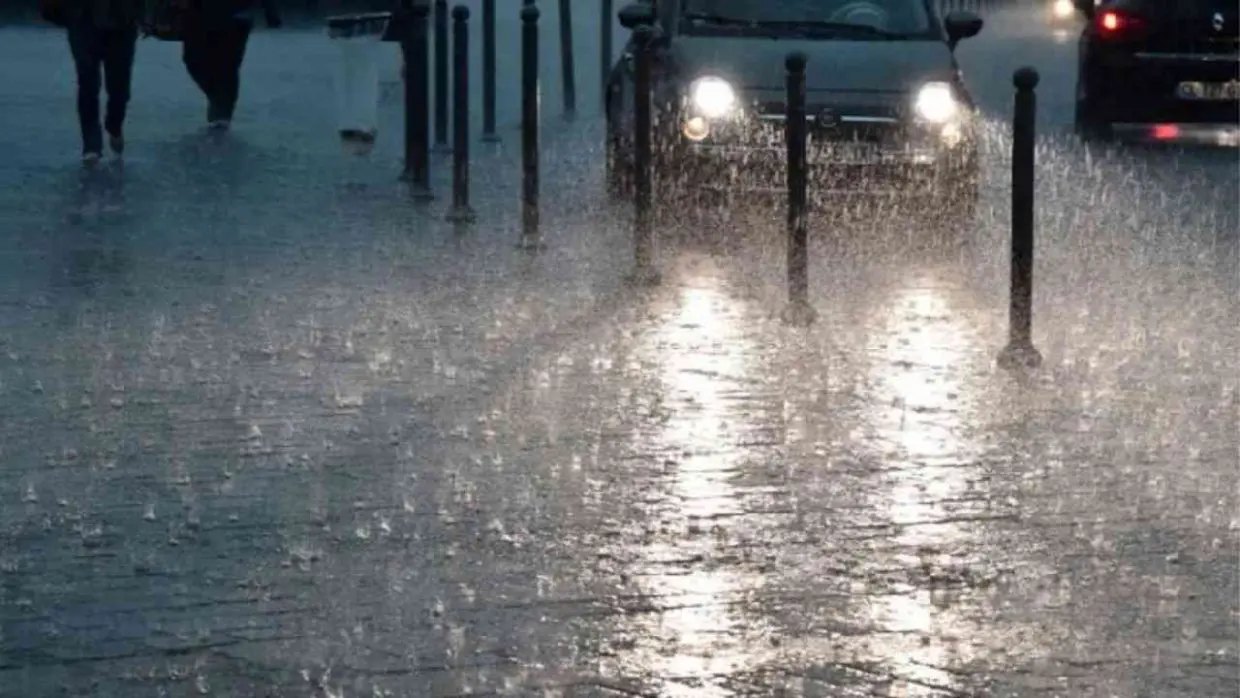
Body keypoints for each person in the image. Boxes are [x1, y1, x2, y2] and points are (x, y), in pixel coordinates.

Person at [63, 0, 146, 166]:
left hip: (121, 23)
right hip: (83, 20)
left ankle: (114, 124)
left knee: (119, 87)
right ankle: (91, 145)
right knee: (88, 82)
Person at [181, 0, 282, 131]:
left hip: (233, 16)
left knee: (226, 65)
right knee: (196, 61)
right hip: (203, 14)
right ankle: (220, 104)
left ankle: (221, 111)